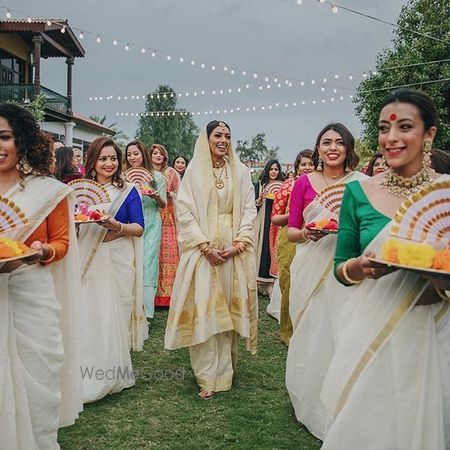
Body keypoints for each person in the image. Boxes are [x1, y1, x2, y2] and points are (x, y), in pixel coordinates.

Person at [321, 89, 450, 449]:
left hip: (437, 331)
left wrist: (441, 276)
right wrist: (360, 268)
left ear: (430, 134)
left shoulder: (445, 193)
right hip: (371, 327)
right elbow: (340, 269)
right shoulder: (359, 193)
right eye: (383, 128)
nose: (391, 138)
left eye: (405, 127)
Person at [0, 103, 81, 448]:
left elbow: (61, 242)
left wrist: (43, 250)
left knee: (38, 381)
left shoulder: (48, 191)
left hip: (31, 293)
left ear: (22, 141)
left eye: (3, 137)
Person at [165, 120, 258, 399]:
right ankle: (207, 375)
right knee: (206, 312)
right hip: (203, 253)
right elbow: (184, 212)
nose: (223, 140)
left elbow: (248, 210)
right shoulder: (194, 172)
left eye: (228, 136)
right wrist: (205, 246)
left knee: (227, 312)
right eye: (218, 135)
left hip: (232, 252)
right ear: (206, 139)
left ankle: (226, 371)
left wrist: (239, 244)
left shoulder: (240, 172)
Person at [285, 123, 365, 439]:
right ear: (317, 148)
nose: (332, 147)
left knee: (343, 330)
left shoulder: (362, 185)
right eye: (326, 142)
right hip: (311, 261)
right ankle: (309, 399)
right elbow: (291, 230)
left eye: (339, 142)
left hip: (347, 267)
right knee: (312, 330)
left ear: (348, 148)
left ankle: (344, 401)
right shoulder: (304, 183)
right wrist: (307, 232)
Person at [78, 137, 147, 403]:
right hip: (87, 258)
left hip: (117, 257)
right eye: (103, 158)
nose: (109, 163)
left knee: (114, 312)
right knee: (89, 310)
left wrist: (115, 227)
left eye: (113, 158)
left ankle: (113, 373)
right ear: (93, 161)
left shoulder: (128, 191)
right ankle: (86, 369)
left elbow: (139, 228)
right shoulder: (82, 190)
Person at [268, 149, 314, 342]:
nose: (307, 167)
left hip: (315, 241)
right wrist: (296, 214)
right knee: (290, 285)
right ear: (296, 167)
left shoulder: (322, 187)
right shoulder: (288, 186)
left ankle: (308, 329)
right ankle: (287, 332)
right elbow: (275, 218)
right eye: (303, 164)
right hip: (290, 240)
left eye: (311, 163)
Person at [124, 140, 167, 318]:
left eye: (136, 153)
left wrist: (155, 195)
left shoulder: (157, 178)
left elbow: (163, 204)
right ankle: (128, 307)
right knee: (130, 263)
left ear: (143, 154)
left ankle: (146, 311)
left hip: (151, 224)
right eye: (129, 154)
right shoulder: (122, 177)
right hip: (130, 224)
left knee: (148, 264)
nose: (133, 157)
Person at [150, 143, 181, 307]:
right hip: (150, 214)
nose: (157, 155)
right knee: (153, 251)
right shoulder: (145, 173)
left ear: (164, 156)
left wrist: (171, 194)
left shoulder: (171, 173)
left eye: (160, 153)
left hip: (167, 215)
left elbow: (180, 194)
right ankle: (152, 294)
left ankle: (169, 294)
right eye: (155, 153)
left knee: (168, 250)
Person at [254, 159, 285, 295]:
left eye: (276, 169)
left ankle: (271, 283)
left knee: (273, 248)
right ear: (267, 170)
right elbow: (253, 205)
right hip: (262, 220)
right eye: (271, 169)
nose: (273, 172)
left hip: (277, 223)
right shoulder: (260, 185)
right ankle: (258, 281)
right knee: (260, 247)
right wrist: (260, 198)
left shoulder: (284, 186)